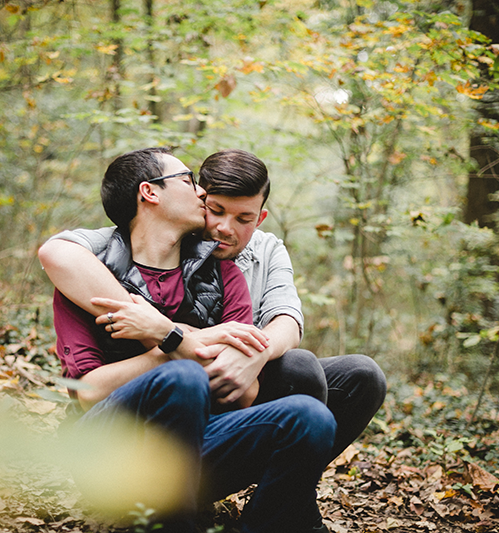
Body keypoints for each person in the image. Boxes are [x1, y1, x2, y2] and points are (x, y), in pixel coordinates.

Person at [44, 147, 336, 533]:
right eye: (187, 180)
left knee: (311, 416)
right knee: (183, 376)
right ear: (150, 193)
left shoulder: (222, 272)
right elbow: (87, 391)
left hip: (199, 437)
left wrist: (166, 333)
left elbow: (242, 390)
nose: (199, 191)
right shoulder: (91, 272)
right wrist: (177, 350)